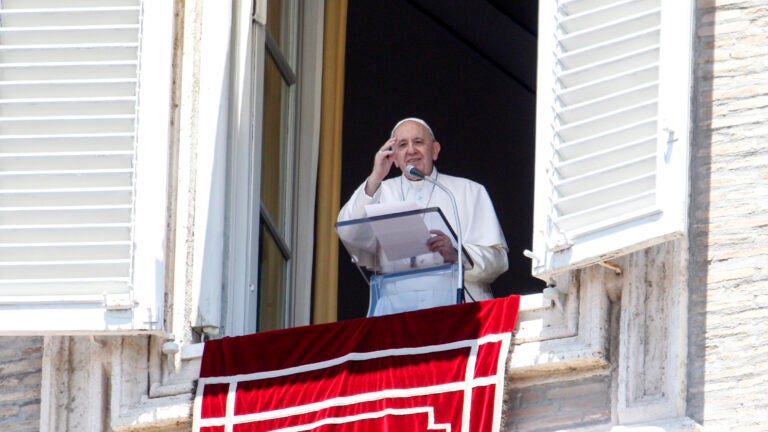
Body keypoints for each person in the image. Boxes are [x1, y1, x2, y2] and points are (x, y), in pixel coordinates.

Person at [337, 117, 508, 315]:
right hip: (396, 312)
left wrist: (458, 254)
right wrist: (375, 177)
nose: (411, 150)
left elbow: (498, 261)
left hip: (456, 310)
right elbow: (349, 232)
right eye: (402, 145)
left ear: (434, 150)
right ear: (394, 157)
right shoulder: (379, 192)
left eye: (418, 142)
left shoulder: (469, 191)